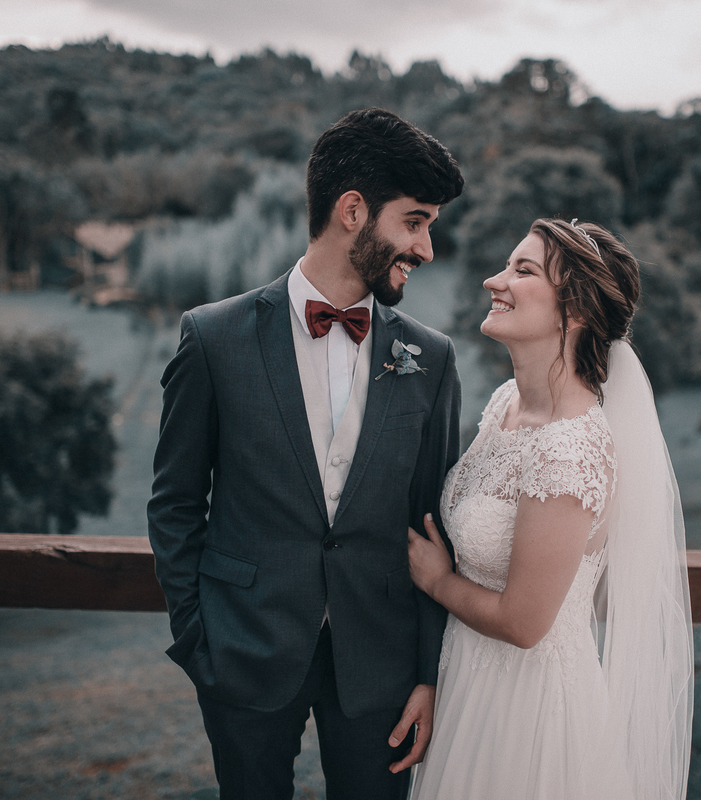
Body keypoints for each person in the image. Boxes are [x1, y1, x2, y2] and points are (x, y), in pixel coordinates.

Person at [147, 108, 464, 800]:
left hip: (380, 664)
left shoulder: (432, 358)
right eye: (414, 222)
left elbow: (434, 521)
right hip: (244, 653)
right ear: (353, 211)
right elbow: (174, 504)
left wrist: (428, 672)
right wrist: (199, 638)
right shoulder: (213, 338)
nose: (426, 248)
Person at [408, 218, 694, 800]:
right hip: (467, 684)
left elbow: (524, 623)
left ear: (576, 310)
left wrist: (437, 582)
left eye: (523, 270)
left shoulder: (569, 450)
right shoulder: (506, 405)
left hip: (526, 713)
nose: (494, 281)